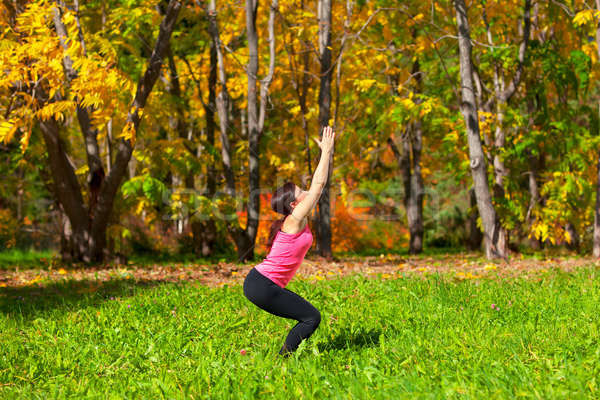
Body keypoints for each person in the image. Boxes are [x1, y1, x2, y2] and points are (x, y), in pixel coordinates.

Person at [243, 125, 336, 356]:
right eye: (301, 192)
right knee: (311, 317)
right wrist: (326, 151)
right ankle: (283, 359)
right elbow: (319, 185)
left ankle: (283, 358)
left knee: (309, 317)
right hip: (261, 284)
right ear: (294, 205)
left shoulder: (294, 221)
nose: (307, 193)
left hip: (260, 283)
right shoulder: (294, 220)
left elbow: (315, 188)